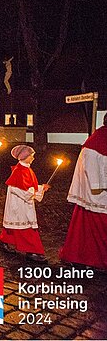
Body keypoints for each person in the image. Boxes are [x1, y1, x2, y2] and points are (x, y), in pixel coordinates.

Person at [60, 114, 107, 270]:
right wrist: (99, 185)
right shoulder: (96, 143)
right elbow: (94, 173)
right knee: (96, 231)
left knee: (84, 230)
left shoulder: (100, 139)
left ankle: (81, 257)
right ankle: (93, 260)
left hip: (96, 196)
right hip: (97, 195)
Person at [0, 145, 49, 263]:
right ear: (24, 156)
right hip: (19, 203)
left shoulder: (26, 168)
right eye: (31, 155)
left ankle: (4, 242)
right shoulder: (19, 170)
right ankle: (32, 251)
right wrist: (37, 190)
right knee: (26, 226)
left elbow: (28, 187)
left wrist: (40, 188)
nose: (33, 158)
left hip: (22, 202)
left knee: (16, 225)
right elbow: (21, 190)